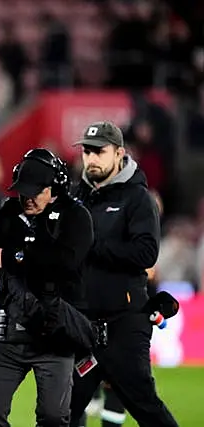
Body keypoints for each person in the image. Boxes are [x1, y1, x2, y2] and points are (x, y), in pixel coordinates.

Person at [69, 121, 178, 427]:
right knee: (62, 410)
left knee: (144, 404)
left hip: (124, 322)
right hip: (82, 322)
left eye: (98, 152)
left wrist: (92, 245)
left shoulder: (137, 198)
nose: (91, 159)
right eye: (86, 152)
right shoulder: (77, 197)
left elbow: (146, 254)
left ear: (119, 153)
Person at [0, 148, 95, 427]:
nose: (27, 198)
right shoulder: (11, 210)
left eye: (34, 191)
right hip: (8, 331)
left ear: (55, 187)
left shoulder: (76, 217)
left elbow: (65, 262)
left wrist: (11, 257)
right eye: (22, 191)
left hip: (54, 332)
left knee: (53, 417)